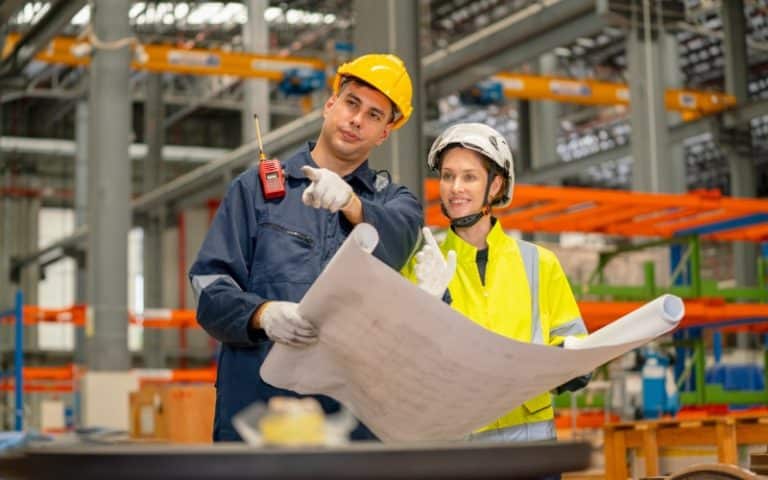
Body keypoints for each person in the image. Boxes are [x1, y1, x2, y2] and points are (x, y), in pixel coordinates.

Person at [189, 53, 423, 442]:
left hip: (354, 422)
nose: (357, 120)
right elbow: (209, 288)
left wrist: (351, 203)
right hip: (257, 416)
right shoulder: (257, 192)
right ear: (330, 105)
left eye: (375, 115)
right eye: (351, 103)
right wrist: (262, 315)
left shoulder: (394, 204)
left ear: (384, 133)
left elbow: (400, 240)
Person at [411, 122, 590, 443]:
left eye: (469, 176)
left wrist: (574, 363)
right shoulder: (423, 264)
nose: (455, 187)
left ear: (495, 186)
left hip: (531, 439)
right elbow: (401, 355)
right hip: (457, 438)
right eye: (448, 176)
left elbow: (572, 337)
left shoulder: (540, 263)